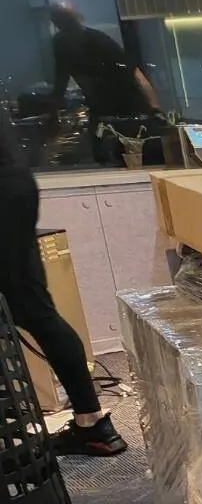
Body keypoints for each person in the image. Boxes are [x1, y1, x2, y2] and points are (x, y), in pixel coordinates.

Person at [0, 108, 127, 456]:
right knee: (36, 312)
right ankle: (91, 423)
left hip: (5, 195)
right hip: (15, 187)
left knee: (34, 313)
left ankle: (91, 424)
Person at [46, 5, 162, 166]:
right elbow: (135, 73)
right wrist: (154, 107)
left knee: (113, 153)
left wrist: (53, 104)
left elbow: (61, 78)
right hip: (122, 106)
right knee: (129, 153)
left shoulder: (67, 42)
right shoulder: (90, 39)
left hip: (115, 107)